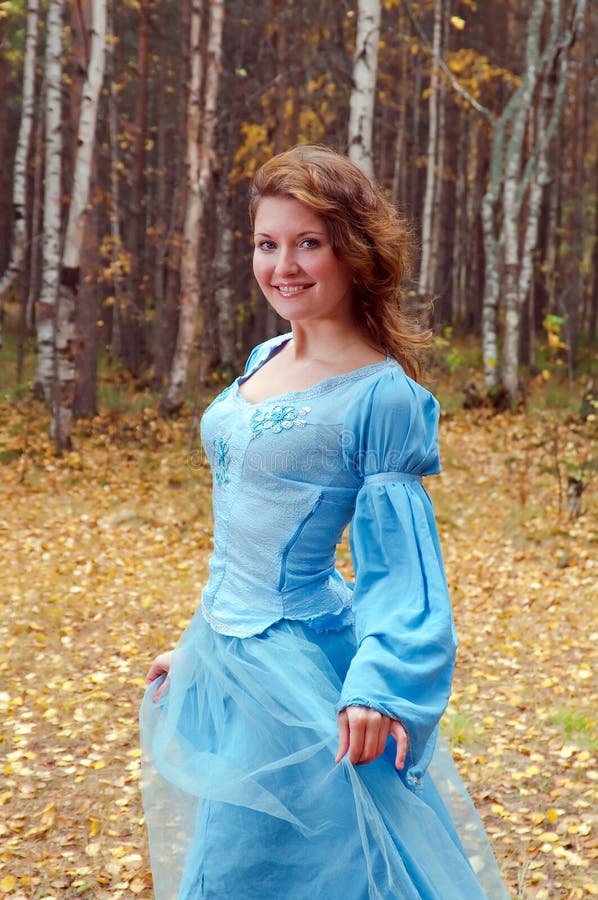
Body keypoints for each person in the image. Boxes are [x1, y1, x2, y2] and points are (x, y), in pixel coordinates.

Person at [140, 145, 510, 899]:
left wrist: (380, 684)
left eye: (308, 242)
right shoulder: (263, 356)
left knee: (305, 870)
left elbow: (401, 568)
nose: (284, 266)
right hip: (231, 660)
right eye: (267, 244)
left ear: (355, 249)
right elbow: (240, 539)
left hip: (297, 674)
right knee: (236, 865)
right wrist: (196, 646)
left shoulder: (381, 397)